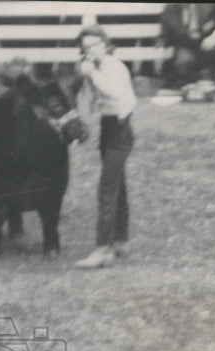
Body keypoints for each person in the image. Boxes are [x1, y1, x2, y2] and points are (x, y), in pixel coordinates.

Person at [74, 27, 136, 270]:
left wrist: (93, 75)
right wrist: (87, 78)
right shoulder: (95, 66)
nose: (91, 50)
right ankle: (120, 240)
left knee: (107, 188)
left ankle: (102, 249)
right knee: (117, 185)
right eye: (86, 47)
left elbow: (116, 93)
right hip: (108, 127)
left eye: (95, 45)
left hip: (120, 129)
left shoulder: (113, 66)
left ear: (105, 44)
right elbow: (92, 100)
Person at [159, 3, 215, 90]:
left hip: (210, 44)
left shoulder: (210, 4)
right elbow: (164, 34)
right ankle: (197, 78)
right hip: (186, 45)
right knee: (184, 63)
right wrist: (162, 49)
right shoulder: (170, 7)